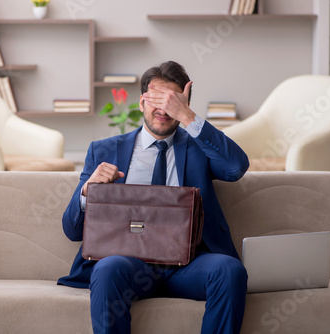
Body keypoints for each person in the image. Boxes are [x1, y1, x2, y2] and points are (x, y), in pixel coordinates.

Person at [58, 60, 250, 334]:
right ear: (141, 103)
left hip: (190, 265)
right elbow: (71, 230)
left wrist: (187, 117)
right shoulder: (104, 151)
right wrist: (87, 191)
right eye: (155, 99)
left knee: (230, 270)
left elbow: (236, 167)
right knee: (108, 267)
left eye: (171, 101)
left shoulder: (198, 150)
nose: (162, 109)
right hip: (130, 263)